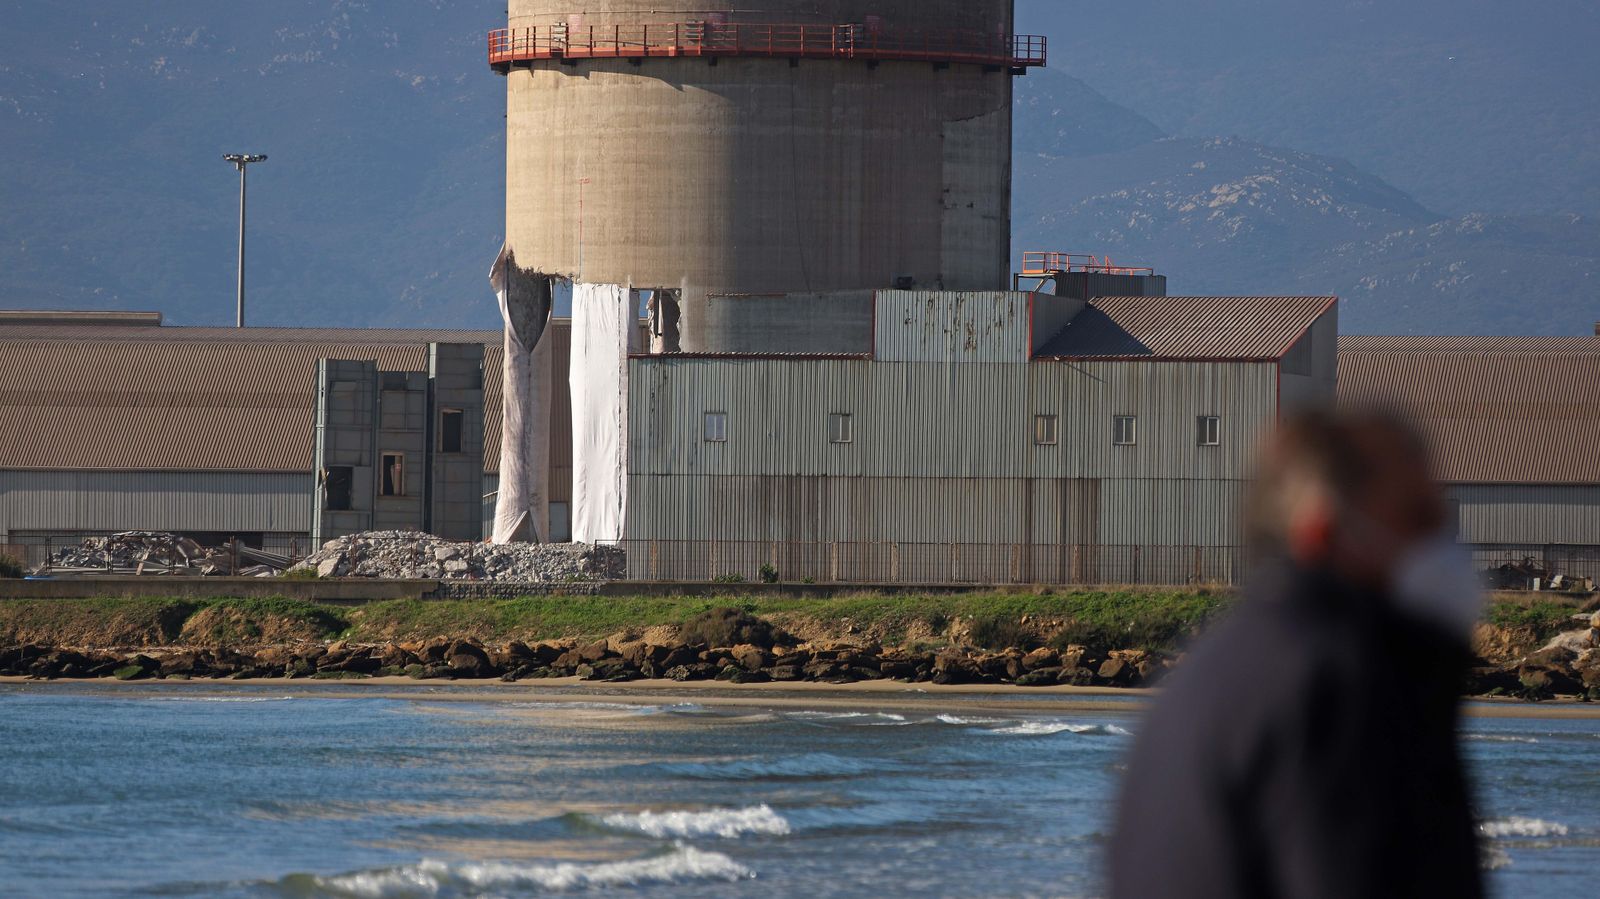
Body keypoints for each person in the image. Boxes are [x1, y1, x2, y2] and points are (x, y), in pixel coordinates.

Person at [1110, 409, 1484, 898]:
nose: (1444, 545)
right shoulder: (1340, 686)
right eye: (1419, 520)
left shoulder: (1219, 670)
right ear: (1323, 533)